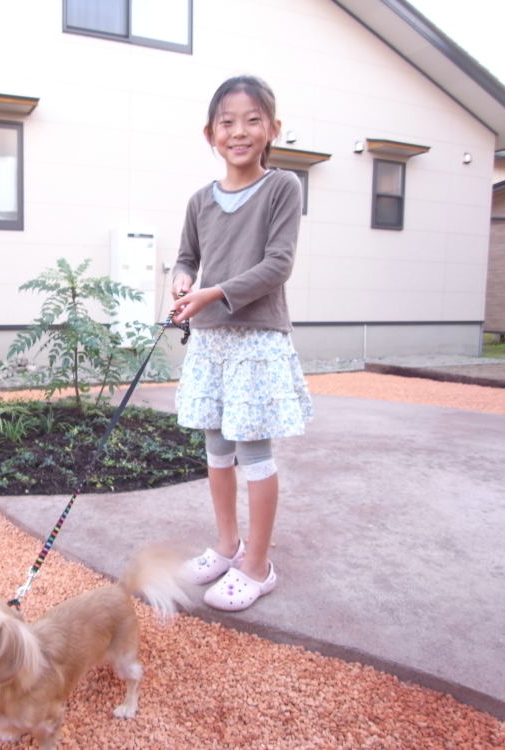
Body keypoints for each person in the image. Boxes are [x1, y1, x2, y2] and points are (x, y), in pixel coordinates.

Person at [169, 75, 313, 611]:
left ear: (273, 129)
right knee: (216, 448)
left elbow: (278, 264)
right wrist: (184, 281)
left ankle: (258, 563)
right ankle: (227, 547)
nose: (240, 131)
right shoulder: (199, 201)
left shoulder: (282, 188)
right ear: (210, 132)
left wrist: (212, 293)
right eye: (227, 122)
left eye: (253, 119)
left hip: (256, 337)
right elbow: (186, 256)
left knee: (254, 450)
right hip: (210, 340)